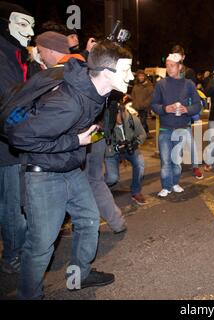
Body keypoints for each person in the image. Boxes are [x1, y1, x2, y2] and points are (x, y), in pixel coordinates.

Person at [8, 40, 134, 299]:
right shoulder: (69, 103)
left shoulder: (97, 91)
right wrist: (76, 140)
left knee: (88, 221)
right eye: (126, 70)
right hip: (43, 175)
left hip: (70, 168)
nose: (131, 76)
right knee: (41, 245)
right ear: (107, 73)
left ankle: (80, 276)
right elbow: (20, 138)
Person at [0, 1, 34, 274]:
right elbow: (8, 105)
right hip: (7, 147)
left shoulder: (16, 55)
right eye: (23, 24)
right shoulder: (3, 56)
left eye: (31, 25)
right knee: (12, 205)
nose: (30, 31)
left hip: (13, 142)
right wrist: (31, 130)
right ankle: (14, 254)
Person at [151, 53, 201, 197]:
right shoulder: (161, 84)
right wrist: (165, 109)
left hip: (181, 129)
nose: (168, 68)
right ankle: (166, 186)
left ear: (180, 67)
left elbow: (198, 105)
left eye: (172, 65)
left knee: (176, 160)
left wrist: (187, 110)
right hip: (165, 128)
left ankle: (175, 183)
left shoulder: (189, 84)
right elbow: (154, 105)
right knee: (165, 161)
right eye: (167, 65)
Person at [170, 44, 203, 179]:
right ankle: (175, 167)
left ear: (183, 57)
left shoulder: (189, 72)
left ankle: (195, 166)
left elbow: (193, 93)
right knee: (174, 141)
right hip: (172, 111)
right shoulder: (170, 70)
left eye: (179, 55)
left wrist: (189, 109)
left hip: (184, 111)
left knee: (190, 141)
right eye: (174, 55)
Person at [105, 102, 147, 205]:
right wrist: (113, 148)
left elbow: (142, 134)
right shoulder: (106, 124)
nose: (121, 117)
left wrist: (135, 143)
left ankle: (136, 191)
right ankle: (99, 188)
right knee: (112, 178)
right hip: (112, 152)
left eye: (122, 113)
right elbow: (97, 141)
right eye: (117, 114)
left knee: (140, 163)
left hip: (130, 149)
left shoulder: (132, 119)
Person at [131, 69, 153, 138]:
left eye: (142, 76)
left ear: (144, 76)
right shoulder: (136, 85)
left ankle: (142, 136)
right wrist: (134, 103)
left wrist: (145, 104)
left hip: (144, 108)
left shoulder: (149, 85)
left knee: (142, 121)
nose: (141, 77)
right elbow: (133, 95)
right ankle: (147, 133)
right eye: (139, 76)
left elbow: (151, 97)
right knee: (142, 122)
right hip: (137, 107)